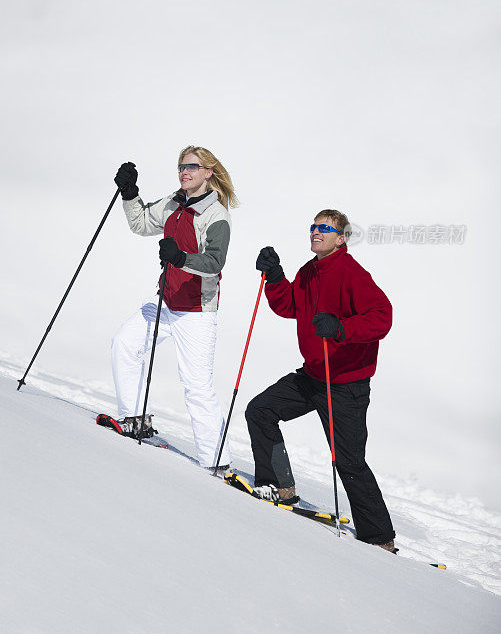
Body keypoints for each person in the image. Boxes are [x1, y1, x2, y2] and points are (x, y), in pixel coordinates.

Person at [246, 209, 396, 551]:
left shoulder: (352, 273)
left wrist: (342, 328)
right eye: (314, 226)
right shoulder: (309, 271)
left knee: (348, 461)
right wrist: (274, 276)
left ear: (340, 238)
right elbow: (289, 306)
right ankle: (278, 486)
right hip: (313, 375)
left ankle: (380, 538)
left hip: (345, 384)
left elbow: (381, 318)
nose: (316, 231)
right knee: (260, 411)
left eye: (325, 228)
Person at [111, 146, 238, 472]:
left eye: (193, 166)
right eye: (182, 166)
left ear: (208, 172)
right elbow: (140, 223)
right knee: (125, 343)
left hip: (196, 311)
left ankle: (218, 463)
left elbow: (214, 262)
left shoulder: (216, 215)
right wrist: (129, 193)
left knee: (196, 388)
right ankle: (135, 417)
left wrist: (181, 258)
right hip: (165, 301)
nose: (185, 171)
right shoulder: (173, 203)